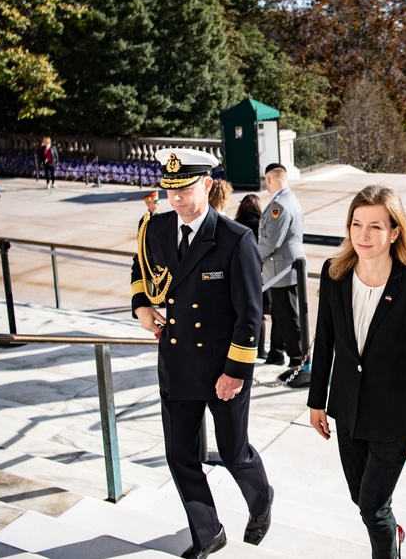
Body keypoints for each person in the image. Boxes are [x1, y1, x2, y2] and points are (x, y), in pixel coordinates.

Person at [131, 148, 273, 558]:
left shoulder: (234, 239)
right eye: (170, 190)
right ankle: (207, 532)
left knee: (233, 452)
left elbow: (251, 314)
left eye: (186, 190)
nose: (176, 199)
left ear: (207, 185)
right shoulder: (156, 229)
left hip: (222, 370)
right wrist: (141, 305)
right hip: (177, 366)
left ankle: (261, 498)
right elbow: (139, 268)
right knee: (180, 456)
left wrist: (235, 372)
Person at [308, 184, 406, 559]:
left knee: (373, 507)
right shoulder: (334, 274)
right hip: (348, 410)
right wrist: (317, 401)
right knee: (361, 497)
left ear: (395, 231)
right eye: (357, 224)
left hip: (395, 418)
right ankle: (392, 531)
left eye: (376, 226)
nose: (363, 235)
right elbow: (325, 342)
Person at [258, 163, 306, 369]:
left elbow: (271, 242)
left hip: (282, 270)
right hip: (283, 269)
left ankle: (298, 359)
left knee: (288, 315)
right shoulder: (289, 199)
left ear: (269, 180)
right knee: (279, 313)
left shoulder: (279, 205)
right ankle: (276, 352)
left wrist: (253, 258)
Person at [235, 194, 271, 359]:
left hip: (238, 273)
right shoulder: (260, 224)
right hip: (258, 272)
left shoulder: (235, 224)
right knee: (260, 312)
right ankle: (261, 350)